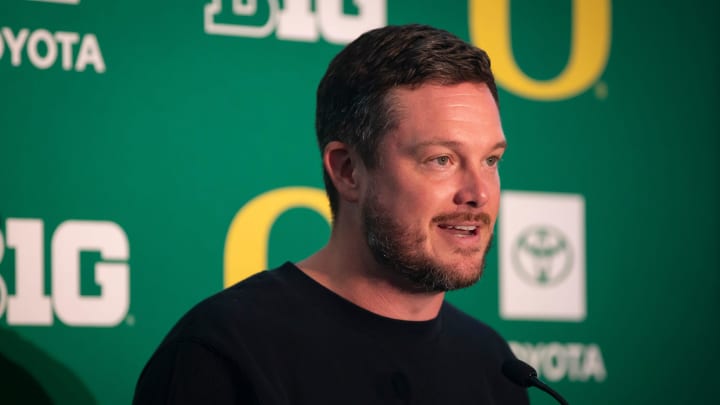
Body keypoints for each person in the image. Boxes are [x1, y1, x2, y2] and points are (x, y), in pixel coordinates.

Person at [133, 24, 528, 404]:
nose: (478, 193)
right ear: (347, 170)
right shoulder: (222, 353)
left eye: (491, 160)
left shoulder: (493, 363)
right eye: (441, 160)